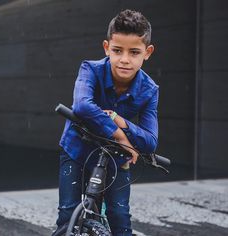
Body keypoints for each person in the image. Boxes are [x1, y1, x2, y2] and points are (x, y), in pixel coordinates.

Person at [52, 9, 159, 236]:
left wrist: (118, 119)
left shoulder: (150, 90)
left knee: (120, 219)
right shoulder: (90, 69)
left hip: (116, 157)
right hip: (77, 148)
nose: (124, 59)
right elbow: (82, 105)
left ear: (147, 52)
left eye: (134, 52)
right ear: (106, 47)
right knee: (67, 214)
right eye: (117, 50)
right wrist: (119, 134)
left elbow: (150, 141)